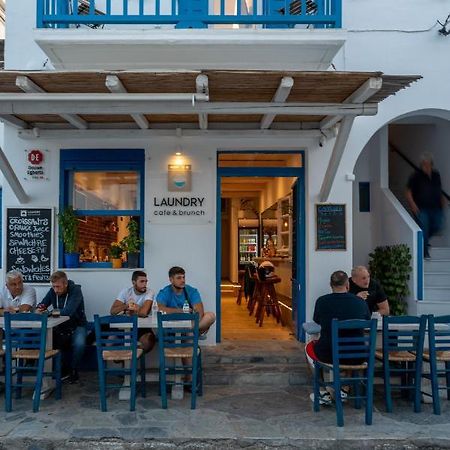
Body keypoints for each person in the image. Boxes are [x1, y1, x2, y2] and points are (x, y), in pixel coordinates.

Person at [307, 270, 371, 405]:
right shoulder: (360, 302)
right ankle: (344, 390)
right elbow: (367, 321)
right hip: (357, 355)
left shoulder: (322, 301)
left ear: (331, 284)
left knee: (308, 347)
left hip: (329, 354)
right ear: (347, 284)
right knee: (350, 347)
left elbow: (317, 321)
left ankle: (323, 391)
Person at [38, 271, 87, 383]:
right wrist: (39, 309)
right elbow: (42, 304)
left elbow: (68, 311)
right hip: (59, 326)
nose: (56, 290)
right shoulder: (52, 291)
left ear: (65, 284)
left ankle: (73, 370)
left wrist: (49, 312)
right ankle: (61, 369)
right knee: (49, 341)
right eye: (53, 286)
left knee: (79, 344)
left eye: (58, 287)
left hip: (77, 325)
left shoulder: (76, 290)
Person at [406, 152, 446, 259]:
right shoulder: (416, 176)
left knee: (438, 226)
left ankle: (424, 240)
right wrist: (413, 205)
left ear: (431, 165)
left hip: (436, 208)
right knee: (424, 228)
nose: (426, 166)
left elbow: (439, 189)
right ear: (421, 164)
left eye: (428, 164)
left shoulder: (436, 175)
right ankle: (425, 253)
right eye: (424, 164)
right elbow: (408, 192)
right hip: (422, 209)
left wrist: (442, 202)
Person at [156, 266, 216, 337]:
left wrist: (189, 326)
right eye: (179, 278)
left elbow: (199, 312)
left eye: (183, 277)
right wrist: (181, 311)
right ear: (171, 280)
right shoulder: (164, 292)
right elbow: (160, 309)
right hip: (170, 323)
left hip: (188, 323)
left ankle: (189, 332)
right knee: (155, 326)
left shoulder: (192, 291)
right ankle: (189, 335)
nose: (182, 280)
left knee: (210, 316)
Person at [110, 270, 156, 353]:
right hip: (124, 326)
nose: (144, 284)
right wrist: (127, 305)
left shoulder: (149, 292)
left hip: (142, 327)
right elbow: (113, 311)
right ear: (134, 282)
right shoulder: (126, 291)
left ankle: (132, 358)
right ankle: (126, 356)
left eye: (146, 281)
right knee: (110, 340)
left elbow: (144, 313)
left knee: (149, 341)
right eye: (142, 281)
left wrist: (134, 309)